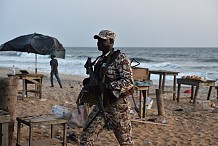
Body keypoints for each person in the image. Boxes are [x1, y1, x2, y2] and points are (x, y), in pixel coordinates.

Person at [79, 30, 135, 145]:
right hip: (101, 105)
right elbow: (100, 80)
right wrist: (89, 82)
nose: (99, 42)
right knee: (86, 137)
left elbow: (128, 81)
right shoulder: (100, 59)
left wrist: (107, 87)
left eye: (103, 40)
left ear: (111, 41)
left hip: (118, 106)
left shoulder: (120, 58)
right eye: (98, 40)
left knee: (125, 141)